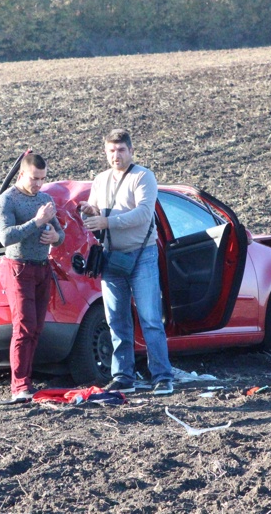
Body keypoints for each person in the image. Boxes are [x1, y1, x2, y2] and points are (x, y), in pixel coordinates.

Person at [78, 129, 174, 395]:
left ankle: (162, 377)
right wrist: (90, 210)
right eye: (111, 151)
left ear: (131, 151)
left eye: (121, 150)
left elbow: (144, 214)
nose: (115, 156)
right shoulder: (100, 180)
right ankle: (122, 376)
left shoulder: (144, 176)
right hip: (111, 256)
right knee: (116, 320)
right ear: (105, 153)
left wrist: (107, 221)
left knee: (150, 318)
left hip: (142, 255)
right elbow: (96, 209)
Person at [0, 154, 65, 401]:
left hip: (42, 267)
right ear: (22, 174)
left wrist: (56, 237)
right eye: (35, 178)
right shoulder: (7, 200)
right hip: (18, 268)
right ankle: (19, 385)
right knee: (23, 326)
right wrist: (37, 222)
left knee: (36, 327)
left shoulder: (45, 199)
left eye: (43, 179)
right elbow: (6, 238)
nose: (39, 184)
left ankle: (27, 380)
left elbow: (60, 233)